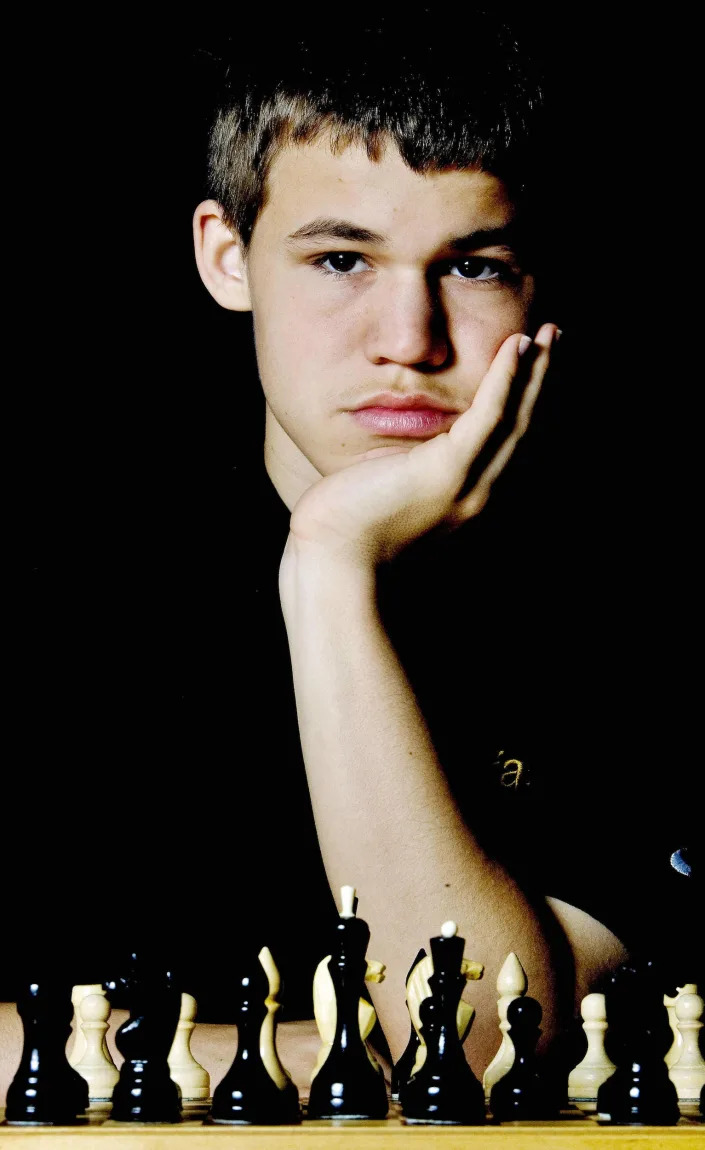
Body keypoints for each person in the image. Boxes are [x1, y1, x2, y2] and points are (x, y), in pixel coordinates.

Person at [188, 10, 632, 1073]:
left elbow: (471, 1050)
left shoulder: (646, 612)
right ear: (227, 256)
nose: (409, 341)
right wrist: (326, 1058)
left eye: (474, 267)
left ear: (542, 281)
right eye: (342, 258)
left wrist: (332, 567)